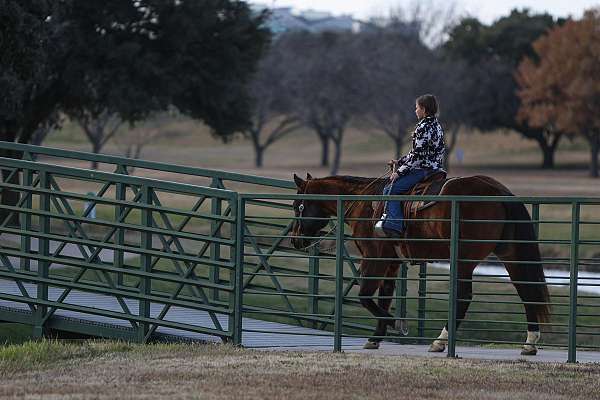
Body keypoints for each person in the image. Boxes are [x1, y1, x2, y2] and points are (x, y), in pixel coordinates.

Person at [376, 94, 446, 237]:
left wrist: (399, 172)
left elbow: (418, 156)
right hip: (436, 169)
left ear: (424, 109)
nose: (415, 111)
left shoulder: (422, 127)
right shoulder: (437, 125)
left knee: (390, 190)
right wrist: (400, 161)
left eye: (417, 108)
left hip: (422, 170)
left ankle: (395, 224)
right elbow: (419, 152)